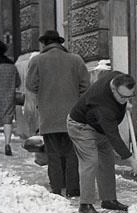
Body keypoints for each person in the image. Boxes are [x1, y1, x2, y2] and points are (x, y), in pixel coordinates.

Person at [66, 72, 137, 213]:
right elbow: (113, 136)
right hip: (81, 126)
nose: (126, 100)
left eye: (130, 96)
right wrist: (130, 158)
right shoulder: (103, 106)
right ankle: (85, 205)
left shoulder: (117, 77)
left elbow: (117, 93)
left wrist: (125, 102)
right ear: (113, 89)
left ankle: (109, 200)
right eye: (123, 97)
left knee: (107, 160)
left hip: (98, 126)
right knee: (91, 161)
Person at [26, 30, 90, 197]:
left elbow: (31, 86)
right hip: (73, 116)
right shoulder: (76, 60)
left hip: (48, 117)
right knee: (72, 153)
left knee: (53, 154)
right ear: (60, 43)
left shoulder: (37, 61)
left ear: (44, 44)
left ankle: (56, 189)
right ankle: (73, 189)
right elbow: (85, 86)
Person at [0, 40, 20, 156]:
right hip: (8, 97)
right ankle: (7, 144)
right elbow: (18, 82)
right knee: (7, 120)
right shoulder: (11, 66)